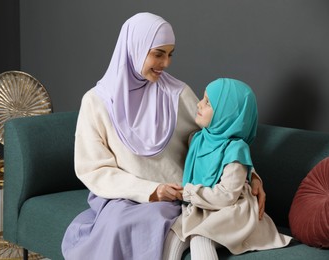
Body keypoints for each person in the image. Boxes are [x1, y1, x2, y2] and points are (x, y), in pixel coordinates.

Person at [61, 13, 266, 260]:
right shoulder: (96, 102)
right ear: (134, 48)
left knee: (153, 224)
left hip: (182, 197)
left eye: (170, 54)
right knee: (118, 225)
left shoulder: (177, 94)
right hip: (125, 196)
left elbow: (218, 140)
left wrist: (251, 176)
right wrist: (151, 190)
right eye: (158, 54)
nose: (166, 63)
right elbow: (94, 169)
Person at [163, 78, 292, 260]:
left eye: (207, 102)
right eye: (203, 98)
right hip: (204, 205)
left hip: (232, 209)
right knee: (173, 236)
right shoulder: (199, 138)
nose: (199, 104)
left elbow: (227, 196)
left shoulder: (236, 149)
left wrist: (186, 193)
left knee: (201, 238)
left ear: (226, 114)